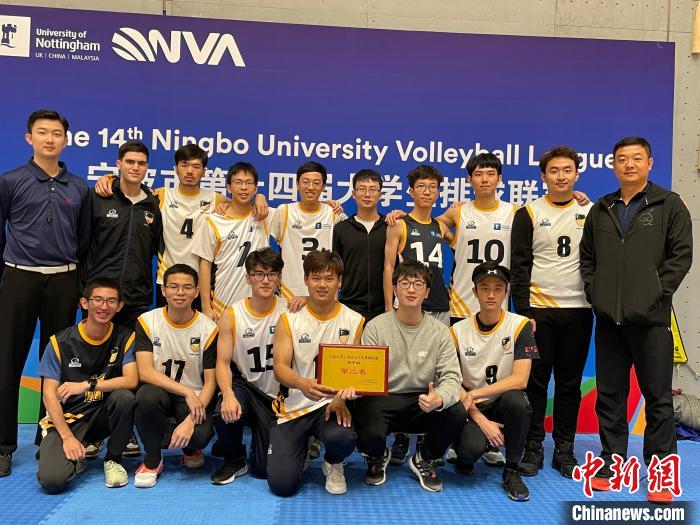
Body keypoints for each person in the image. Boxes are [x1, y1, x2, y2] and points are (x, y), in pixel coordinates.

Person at [580, 136, 692, 504]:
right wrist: (596, 293)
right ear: (613, 165)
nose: (629, 164)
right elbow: (587, 259)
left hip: (652, 322)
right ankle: (611, 464)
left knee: (658, 399)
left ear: (649, 163)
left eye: (636, 158)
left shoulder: (669, 205)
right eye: (622, 159)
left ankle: (660, 473)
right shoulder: (602, 209)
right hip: (609, 321)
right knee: (610, 397)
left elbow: (681, 256)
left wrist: (655, 293)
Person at [0, 109, 91, 477]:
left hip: (63, 281)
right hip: (19, 277)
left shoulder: (79, 187)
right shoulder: (10, 181)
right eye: (42, 132)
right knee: (7, 361)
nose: (50, 139)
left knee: (55, 366)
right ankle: (3, 446)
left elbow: (83, 240)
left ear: (66, 141)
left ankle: (47, 437)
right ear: (29, 138)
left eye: (56, 134)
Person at [93, 146, 268, 309]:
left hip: (202, 284)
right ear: (176, 169)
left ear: (204, 172)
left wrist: (260, 197)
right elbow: (131, 189)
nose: (190, 171)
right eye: (184, 165)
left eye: (196, 166)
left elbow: (242, 204)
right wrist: (109, 178)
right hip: (167, 280)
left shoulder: (216, 199)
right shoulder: (160, 195)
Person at [510, 146, 593, 478]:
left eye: (567, 170)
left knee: (570, 384)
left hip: (579, 310)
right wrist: (524, 311)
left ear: (577, 174)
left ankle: (564, 448)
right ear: (543, 176)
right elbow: (519, 266)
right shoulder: (528, 213)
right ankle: (533, 446)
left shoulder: (590, 211)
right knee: (535, 382)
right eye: (554, 171)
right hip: (539, 312)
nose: (561, 176)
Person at [355, 260, 466, 492]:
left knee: (456, 410)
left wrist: (439, 398)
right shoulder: (375, 327)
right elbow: (364, 376)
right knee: (362, 411)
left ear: (427, 292)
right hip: (384, 399)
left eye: (418, 284)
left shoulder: (440, 332)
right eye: (405, 283)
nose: (411, 289)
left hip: (423, 401)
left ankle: (424, 458)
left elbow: (452, 378)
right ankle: (377, 455)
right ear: (395, 289)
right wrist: (353, 388)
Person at [267, 249, 362, 497]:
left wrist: (341, 397)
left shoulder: (354, 321)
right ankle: (303, 446)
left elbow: (357, 373)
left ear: (339, 281)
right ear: (306, 280)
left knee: (343, 436)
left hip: (331, 405)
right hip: (295, 407)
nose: (322, 285)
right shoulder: (289, 319)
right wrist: (302, 383)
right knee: (282, 486)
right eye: (316, 278)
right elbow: (279, 369)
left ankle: (333, 462)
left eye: (329, 278)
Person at [36, 277, 137, 493]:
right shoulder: (59, 342)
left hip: (101, 416)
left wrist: (86, 385)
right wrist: (67, 438)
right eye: (98, 300)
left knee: (125, 398)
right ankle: (72, 452)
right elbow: (49, 395)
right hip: (68, 419)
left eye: (111, 301)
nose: (104, 306)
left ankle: (113, 459)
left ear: (119, 306)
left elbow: (131, 380)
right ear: (84, 303)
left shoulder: (125, 337)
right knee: (52, 481)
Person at [451, 262, 539, 502]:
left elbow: (520, 379)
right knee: (468, 454)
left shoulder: (520, 325)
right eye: (485, 288)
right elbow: (452, 382)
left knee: (518, 401)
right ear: (475, 291)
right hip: (472, 408)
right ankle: (465, 451)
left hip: (499, 402)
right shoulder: (457, 331)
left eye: (498, 289)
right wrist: (480, 418)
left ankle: (511, 470)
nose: (491, 294)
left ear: (506, 292)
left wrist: (474, 394)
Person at [132, 264, 218, 488]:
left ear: (197, 292)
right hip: (159, 391)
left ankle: (189, 448)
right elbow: (145, 371)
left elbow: (211, 382)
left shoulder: (208, 328)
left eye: (187, 287)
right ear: (163, 290)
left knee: (199, 435)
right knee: (145, 397)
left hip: (193, 398)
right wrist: (186, 391)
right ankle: (152, 459)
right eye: (173, 286)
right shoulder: (147, 321)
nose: (180, 292)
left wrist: (190, 421)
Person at [211, 248, 287, 484]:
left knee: (263, 470)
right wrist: (227, 394)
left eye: (272, 274)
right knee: (223, 412)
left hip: (278, 394)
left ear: (279, 278)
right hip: (246, 387)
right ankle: (234, 458)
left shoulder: (289, 310)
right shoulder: (232, 314)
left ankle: (261, 440)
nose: (265, 280)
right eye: (259, 274)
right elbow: (222, 362)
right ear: (248, 278)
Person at [81, 140, 162, 330]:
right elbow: (83, 245)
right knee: (96, 347)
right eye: (130, 162)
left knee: (131, 349)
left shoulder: (153, 204)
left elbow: (153, 247)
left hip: (136, 297)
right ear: (119, 164)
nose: (135, 167)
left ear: (147, 168)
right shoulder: (98, 197)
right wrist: (82, 289)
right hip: (100, 296)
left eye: (141, 163)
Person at [436, 153, 516, 322]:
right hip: (461, 304)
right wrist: (452, 240)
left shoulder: (514, 211)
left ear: (499, 179)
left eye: (490, 174)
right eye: (478, 174)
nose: (485, 179)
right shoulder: (459, 211)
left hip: (498, 303)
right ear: (469, 180)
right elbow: (432, 224)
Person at [193, 162, 273, 320]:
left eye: (249, 183)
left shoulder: (266, 216)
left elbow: (300, 215)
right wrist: (206, 307)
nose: (244, 188)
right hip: (222, 302)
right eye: (238, 182)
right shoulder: (213, 221)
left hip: (259, 304)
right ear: (229, 188)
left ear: (256, 188)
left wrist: (261, 197)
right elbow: (204, 264)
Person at [269, 161, 347, 311]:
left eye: (316, 183)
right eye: (305, 182)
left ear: (323, 187)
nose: (311, 187)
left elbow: (356, 230)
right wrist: (259, 197)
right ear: (297, 184)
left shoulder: (333, 214)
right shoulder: (284, 211)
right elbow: (254, 215)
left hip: (324, 292)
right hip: (290, 293)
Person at [333, 169, 387, 322]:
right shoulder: (341, 228)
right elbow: (335, 269)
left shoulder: (390, 227)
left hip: (384, 308)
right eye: (362, 189)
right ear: (353, 193)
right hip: (349, 307)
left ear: (380, 194)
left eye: (373, 190)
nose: (367, 194)